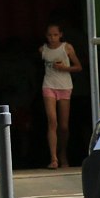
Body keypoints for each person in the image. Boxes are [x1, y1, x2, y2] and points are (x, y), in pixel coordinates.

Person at [40, 23, 83, 168]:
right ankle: (53, 158)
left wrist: (64, 68)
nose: (52, 38)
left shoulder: (67, 48)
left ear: (61, 35)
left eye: (55, 35)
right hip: (49, 85)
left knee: (63, 126)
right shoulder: (43, 50)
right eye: (50, 35)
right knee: (52, 121)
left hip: (64, 86)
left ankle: (62, 153)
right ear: (46, 36)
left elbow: (78, 66)